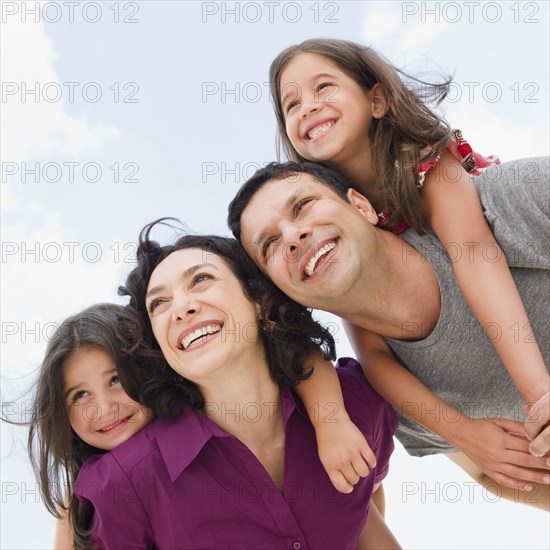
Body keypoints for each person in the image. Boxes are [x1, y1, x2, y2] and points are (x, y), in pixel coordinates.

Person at [260, 37, 549, 487]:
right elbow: (374, 355)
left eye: (323, 88)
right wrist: (465, 435)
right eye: (291, 104)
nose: (308, 107)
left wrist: (538, 393)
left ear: (377, 99)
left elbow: (474, 258)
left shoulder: (424, 159)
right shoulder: (337, 227)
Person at [228, 156, 550, 509]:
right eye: (270, 245)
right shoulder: (400, 405)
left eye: (303, 206)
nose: (292, 236)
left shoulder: (501, 202)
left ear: (362, 206)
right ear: (282, 291)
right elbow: (493, 474)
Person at [74, 224, 399, 549]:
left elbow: (367, 495)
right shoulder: (126, 483)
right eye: (159, 303)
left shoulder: (359, 404)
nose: (181, 308)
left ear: (257, 298)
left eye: (201, 279)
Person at [24, 303, 155, 550]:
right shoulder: (75, 498)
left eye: (115, 379)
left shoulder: (193, 444)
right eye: (81, 395)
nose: (104, 408)